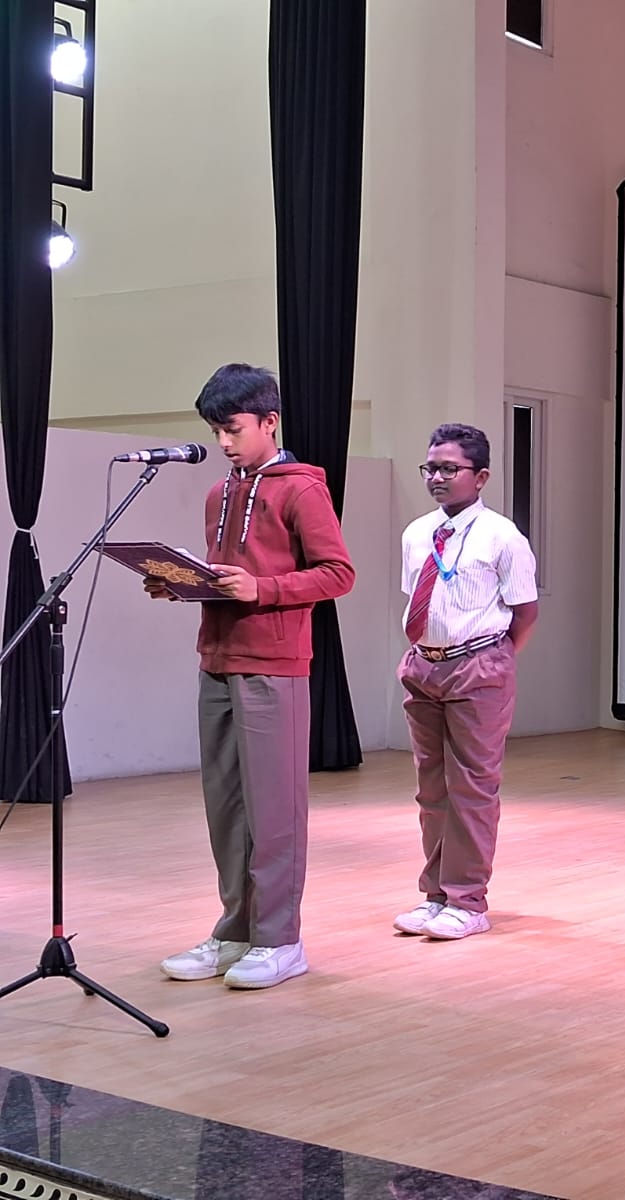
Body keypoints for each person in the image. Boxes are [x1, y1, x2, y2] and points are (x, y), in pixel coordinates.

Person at [152, 364, 355, 990]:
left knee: (274, 810)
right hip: (216, 659)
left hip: (274, 665)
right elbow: (227, 578)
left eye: (233, 429)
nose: (223, 442)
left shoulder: (302, 490)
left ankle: (280, 940)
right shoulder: (219, 493)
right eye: (215, 430)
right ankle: (235, 931)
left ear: (270, 422)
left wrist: (263, 589)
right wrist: (184, 585)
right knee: (227, 807)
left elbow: (338, 573)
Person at [393, 423, 538, 941]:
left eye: (449, 469)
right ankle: (435, 896)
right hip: (424, 666)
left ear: (480, 477)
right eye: (430, 468)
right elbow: (418, 598)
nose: (436, 477)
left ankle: (468, 901)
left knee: (472, 787)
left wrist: (493, 660)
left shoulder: (503, 536)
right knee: (431, 789)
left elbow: (525, 612)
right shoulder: (417, 533)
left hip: (478, 665)